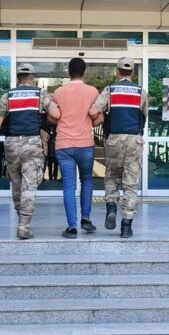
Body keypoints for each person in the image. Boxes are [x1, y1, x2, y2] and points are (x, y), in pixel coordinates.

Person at [0, 63, 60, 239]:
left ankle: (21, 217)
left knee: (17, 184)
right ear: (32, 78)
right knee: (29, 185)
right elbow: (56, 115)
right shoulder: (40, 94)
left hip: (12, 143)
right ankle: (24, 226)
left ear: (18, 79)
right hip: (32, 143)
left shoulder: (8, 95)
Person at [89, 57, 149, 238]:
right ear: (133, 72)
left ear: (117, 71)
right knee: (131, 183)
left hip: (114, 139)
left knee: (112, 176)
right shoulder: (141, 92)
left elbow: (93, 111)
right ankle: (126, 226)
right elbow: (144, 115)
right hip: (134, 140)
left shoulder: (110, 90)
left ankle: (111, 208)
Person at [52, 58, 102, 238]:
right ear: (84, 72)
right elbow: (99, 118)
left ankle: (72, 227)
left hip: (64, 144)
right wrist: (87, 123)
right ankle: (85, 219)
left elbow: (53, 116)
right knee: (87, 180)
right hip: (85, 144)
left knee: (69, 185)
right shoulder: (93, 91)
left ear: (68, 72)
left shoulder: (58, 92)